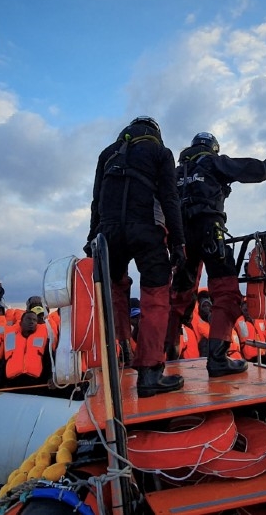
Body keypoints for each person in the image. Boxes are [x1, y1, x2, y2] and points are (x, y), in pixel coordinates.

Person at [169, 131, 266, 378]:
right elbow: (257, 170)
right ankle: (217, 359)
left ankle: (166, 355)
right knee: (226, 293)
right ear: (212, 148)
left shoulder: (174, 173)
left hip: (180, 239)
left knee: (178, 297)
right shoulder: (214, 162)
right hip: (209, 234)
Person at [85, 116, 186, 398]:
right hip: (147, 230)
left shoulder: (108, 153)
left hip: (109, 233)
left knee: (116, 290)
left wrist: (92, 237)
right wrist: (178, 242)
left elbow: (97, 200)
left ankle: (123, 350)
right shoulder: (160, 153)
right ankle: (151, 374)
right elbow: (170, 198)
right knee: (155, 298)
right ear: (156, 133)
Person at [0, 310, 55, 392]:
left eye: (34, 320)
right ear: (21, 322)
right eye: (28, 319)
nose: (32, 322)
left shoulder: (44, 340)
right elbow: (4, 361)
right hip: (13, 383)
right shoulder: (11, 338)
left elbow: (49, 361)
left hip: (36, 383)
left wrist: (51, 377)